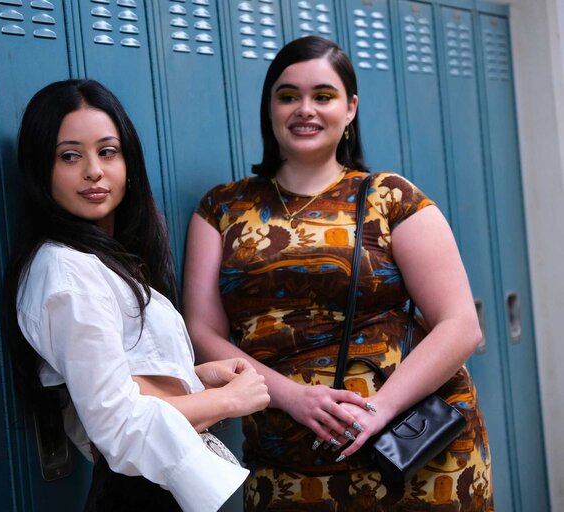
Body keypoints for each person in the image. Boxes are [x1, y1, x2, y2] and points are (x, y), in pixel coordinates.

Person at [183, 36, 493, 510]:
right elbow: (202, 331)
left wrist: (378, 410)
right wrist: (288, 396)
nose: (304, 109)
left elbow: (460, 326)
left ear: (350, 109)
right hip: (286, 459)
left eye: (322, 96)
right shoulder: (222, 208)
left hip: (412, 450)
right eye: (288, 96)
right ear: (270, 107)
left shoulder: (391, 197)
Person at [3, 79, 271, 512]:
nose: (93, 170)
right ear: (41, 169)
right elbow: (116, 425)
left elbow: (119, 382)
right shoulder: (66, 271)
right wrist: (230, 401)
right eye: (70, 156)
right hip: (134, 497)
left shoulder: (102, 262)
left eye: (107, 152)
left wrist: (196, 377)